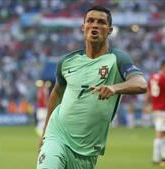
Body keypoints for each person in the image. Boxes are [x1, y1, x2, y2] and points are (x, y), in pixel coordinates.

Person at [36, 5, 147, 169]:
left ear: (109, 30)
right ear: (83, 27)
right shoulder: (67, 62)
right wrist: (45, 134)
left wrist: (114, 88)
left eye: (101, 22)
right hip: (57, 137)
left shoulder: (118, 59)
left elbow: (141, 83)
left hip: (88, 150)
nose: (95, 25)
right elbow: (57, 94)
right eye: (90, 21)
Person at [143, 59, 165, 165]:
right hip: (163, 109)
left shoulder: (153, 77)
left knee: (160, 133)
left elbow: (148, 92)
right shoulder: (163, 78)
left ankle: (160, 158)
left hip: (156, 109)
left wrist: (146, 104)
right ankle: (158, 159)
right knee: (160, 134)